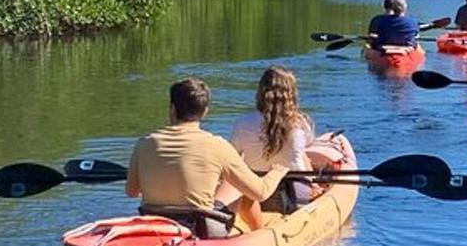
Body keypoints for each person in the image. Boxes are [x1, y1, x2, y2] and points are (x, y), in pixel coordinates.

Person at [126, 78, 287, 236]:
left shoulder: (144, 143)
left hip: (155, 226)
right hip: (201, 229)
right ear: (205, 112)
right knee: (238, 184)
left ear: (172, 108)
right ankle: (260, 236)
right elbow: (260, 193)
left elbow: (132, 191)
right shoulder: (217, 145)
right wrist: (277, 172)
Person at [230, 66, 324, 206]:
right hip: (295, 191)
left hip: (256, 192)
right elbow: (304, 149)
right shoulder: (300, 124)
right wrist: (313, 183)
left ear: (261, 92)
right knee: (302, 155)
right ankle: (313, 185)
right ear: (291, 94)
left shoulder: (243, 123)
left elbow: (234, 157)